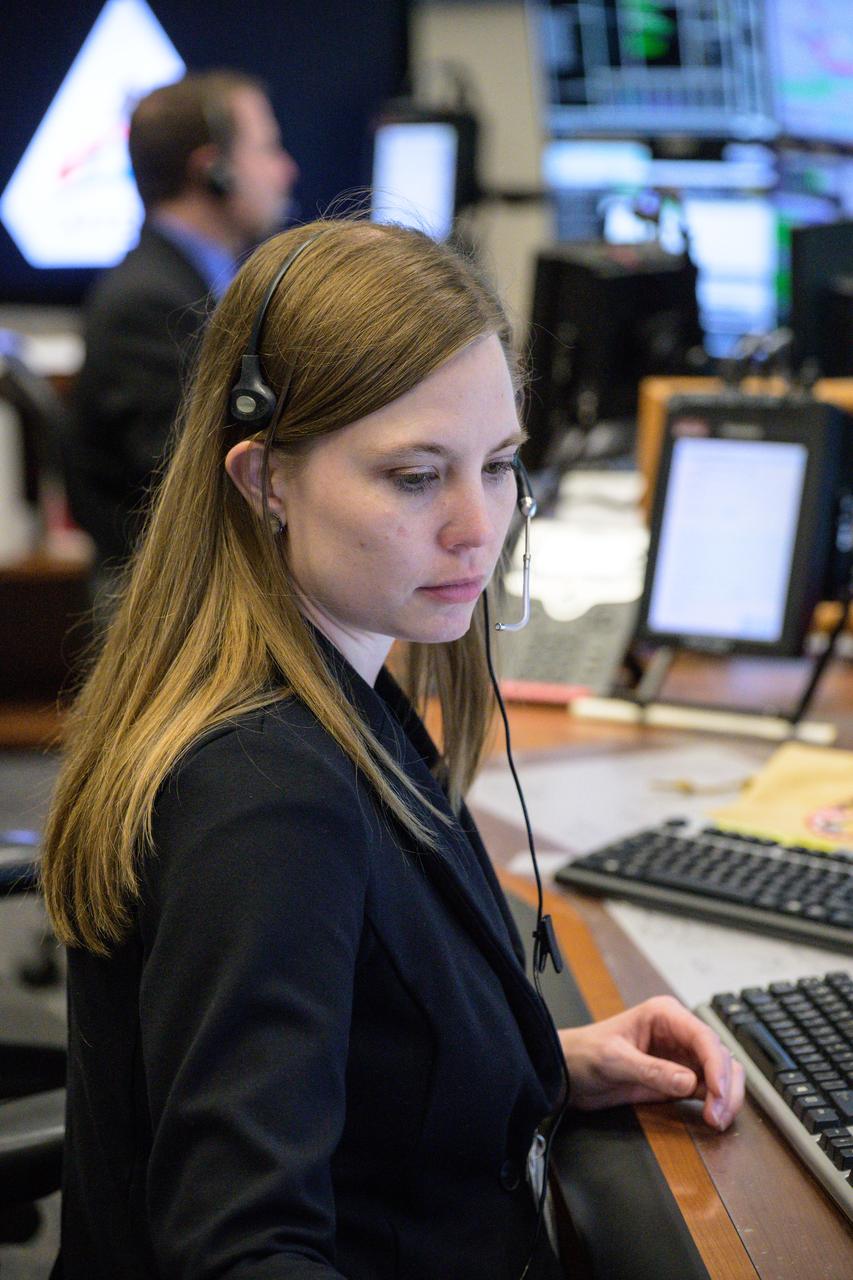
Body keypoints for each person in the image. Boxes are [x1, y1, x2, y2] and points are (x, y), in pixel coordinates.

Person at [41, 219, 744, 1280]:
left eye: (500, 465)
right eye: (416, 476)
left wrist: (543, 1060)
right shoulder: (266, 794)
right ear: (265, 478)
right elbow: (247, 1251)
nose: (479, 524)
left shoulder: (336, 690)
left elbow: (358, 1041)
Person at [67, 70, 298, 586]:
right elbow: (195, 481)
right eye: (268, 148)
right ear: (213, 171)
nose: (286, 170)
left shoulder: (206, 284)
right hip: (169, 599)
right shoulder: (148, 304)